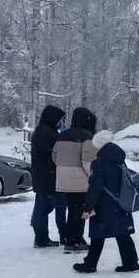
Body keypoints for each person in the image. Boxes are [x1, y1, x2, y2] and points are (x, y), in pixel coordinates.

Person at [72, 131, 139, 274]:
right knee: (122, 234)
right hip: (120, 202)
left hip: (104, 205)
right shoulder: (120, 159)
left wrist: (87, 206)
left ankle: (90, 264)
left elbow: (95, 187)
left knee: (97, 234)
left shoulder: (99, 163)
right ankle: (131, 262)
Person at [53, 107, 98, 253]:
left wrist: (63, 169)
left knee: (72, 210)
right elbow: (88, 161)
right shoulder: (87, 136)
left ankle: (71, 239)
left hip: (63, 179)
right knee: (80, 211)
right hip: (80, 180)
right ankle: (75, 241)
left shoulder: (62, 135)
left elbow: (54, 156)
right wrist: (92, 177)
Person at [29, 104, 66, 248]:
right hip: (50, 178)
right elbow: (55, 155)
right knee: (55, 209)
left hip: (42, 177)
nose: (62, 123)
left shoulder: (42, 131)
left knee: (41, 209)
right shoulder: (48, 134)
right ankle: (51, 238)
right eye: (61, 120)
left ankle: (41, 238)